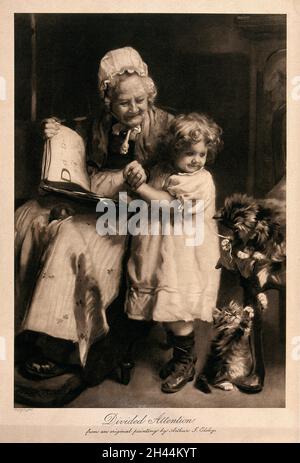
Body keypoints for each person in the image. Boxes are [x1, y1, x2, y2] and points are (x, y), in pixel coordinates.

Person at [15, 46, 173, 383]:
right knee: (33, 219)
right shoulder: (99, 125)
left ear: (149, 94)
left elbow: (184, 174)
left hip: (139, 212)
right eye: (123, 103)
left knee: (73, 238)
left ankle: (62, 344)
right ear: (108, 100)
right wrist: (53, 128)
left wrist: (145, 180)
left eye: (140, 101)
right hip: (96, 203)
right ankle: (24, 327)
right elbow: (72, 136)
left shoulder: (168, 127)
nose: (133, 109)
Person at [125, 113, 222, 393]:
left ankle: (185, 361)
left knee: (178, 309)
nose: (196, 159)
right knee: (165, 306)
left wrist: (141, 188)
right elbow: (151, 195)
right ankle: (180, 355)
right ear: (173, 150)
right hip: (161, 248)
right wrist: (139, 180)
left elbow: (169, 204)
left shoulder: (200, 181)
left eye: (202, 153)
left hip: (185, 255)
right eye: (189, 153)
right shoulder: (163, 170)